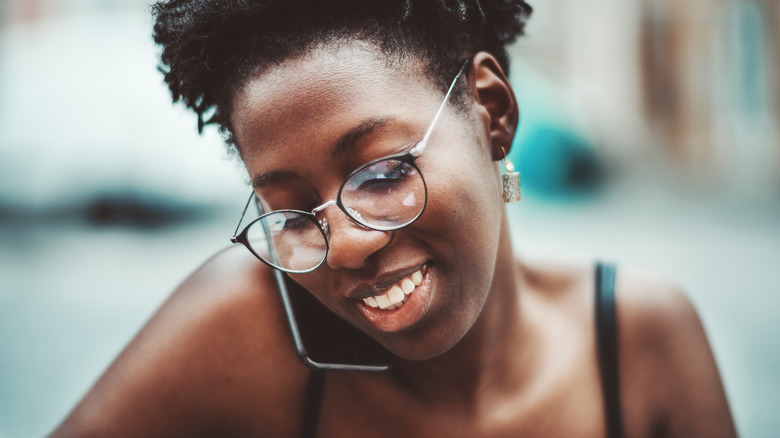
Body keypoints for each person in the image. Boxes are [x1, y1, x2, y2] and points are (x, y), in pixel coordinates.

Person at [51, 1, 737, 436]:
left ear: (492, 113)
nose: (343, 247)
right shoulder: (252, 329)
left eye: (381, 173)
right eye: (289, 211)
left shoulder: (637, 345)